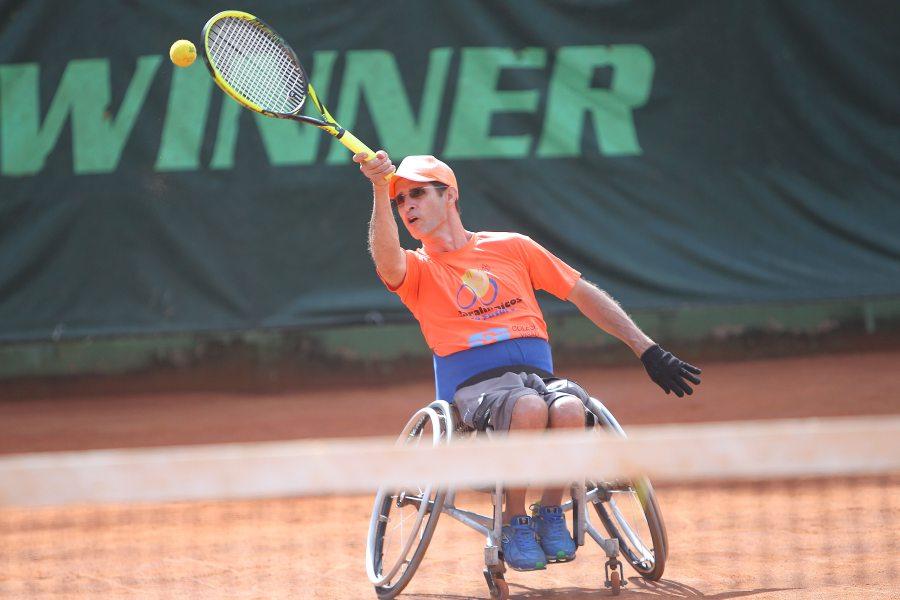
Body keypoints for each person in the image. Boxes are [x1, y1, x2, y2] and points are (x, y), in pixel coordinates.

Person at [354, 151, 701, 572]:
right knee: (528, 406)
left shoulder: (513, 247)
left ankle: (550, 512)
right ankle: (515, 521)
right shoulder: (418, 269)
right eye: (400, 199)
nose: (407, 205)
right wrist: (378, 186)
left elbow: (582, 293)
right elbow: (386, 260)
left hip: (536, 379)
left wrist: (645, 348)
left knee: (571, 407)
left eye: (418, 194)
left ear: (450, 197)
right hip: (475, 391)